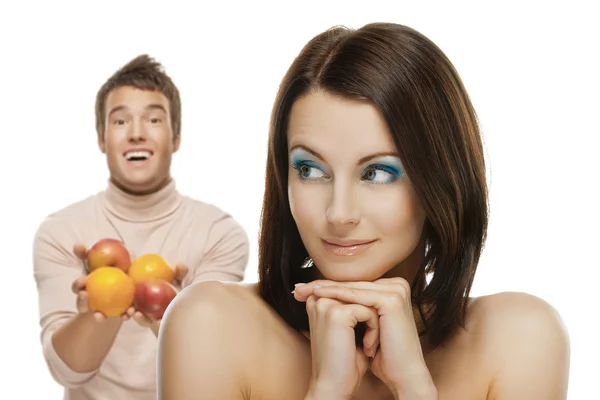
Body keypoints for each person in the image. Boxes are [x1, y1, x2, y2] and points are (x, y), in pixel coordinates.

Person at [157, 22, 570, 400]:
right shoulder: (211, 325)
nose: (339, 213)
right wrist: (326, 390)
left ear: (440, 180)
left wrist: (413, 386)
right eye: (310, 169)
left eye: (377, 172)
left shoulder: (521, 338)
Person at [32, 54, 250, 400]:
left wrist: (176, 314)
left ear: (176, 137)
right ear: (101, 139)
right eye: (119, 122)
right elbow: (66, 370)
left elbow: (216, 363)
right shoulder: (62, 231)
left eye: (152, 119)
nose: (136, 133)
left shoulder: (219, 234)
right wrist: (98, 311)